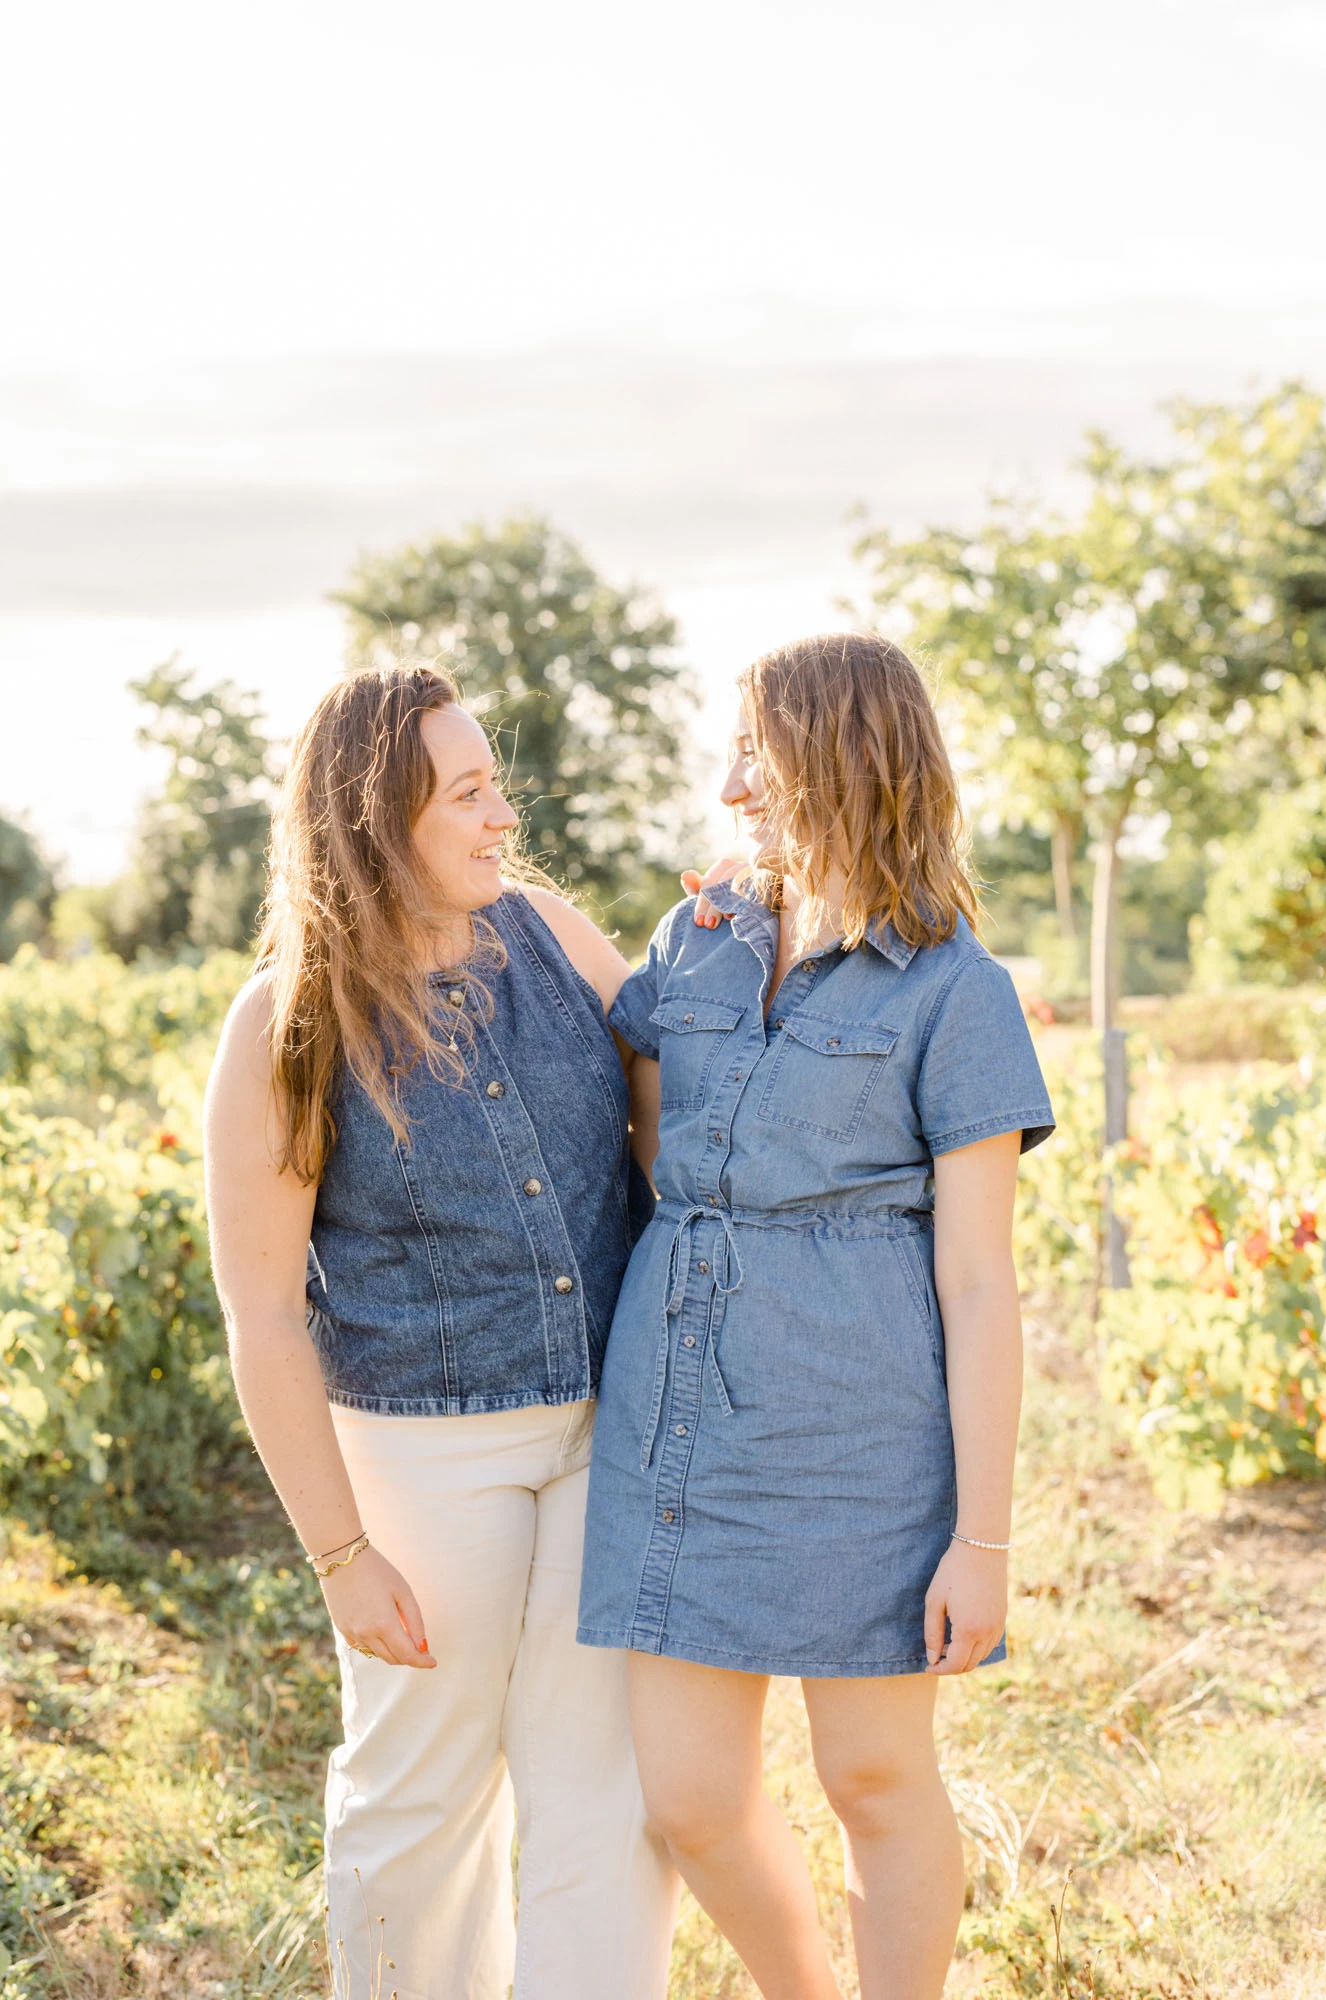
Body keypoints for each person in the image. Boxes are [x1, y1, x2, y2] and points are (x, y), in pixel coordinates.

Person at [578, 632, 1056, 2000]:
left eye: (756, 753)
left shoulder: (954, 992)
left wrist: (984, 1539)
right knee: (687, 1797)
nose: (732, 785)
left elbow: (978, 1283)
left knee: (873, 1776)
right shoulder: (696, 941)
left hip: (863, 1437)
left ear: (843, 757)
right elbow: (654, 1151)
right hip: (678, 1430)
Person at [203, 664, 679, 2000]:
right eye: (468, 792)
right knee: (420, 1800)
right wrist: (342, 1556)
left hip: (602, 1436)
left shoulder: (552, 934)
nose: (500, 816)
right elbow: (261, 1310)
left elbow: (674, 1107)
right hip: (421, 1461)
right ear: (376, 817)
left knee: (606, 1797)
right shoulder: (284, 1024)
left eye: (492, 784)